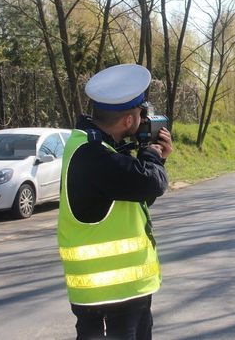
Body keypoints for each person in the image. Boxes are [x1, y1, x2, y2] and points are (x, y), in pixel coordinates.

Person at [57, 63, 173, 340]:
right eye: (140, 115)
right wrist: (153, 155)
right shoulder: (96, 156)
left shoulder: (91, 146)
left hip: (112, 294)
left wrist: (155, 157)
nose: (144, 121)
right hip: (112, 296)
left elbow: (137, 196)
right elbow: (150, 183)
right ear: (128, 121)